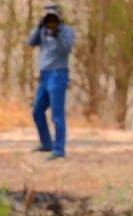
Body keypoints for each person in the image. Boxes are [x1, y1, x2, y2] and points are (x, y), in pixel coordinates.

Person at [27, 3, 75, 160]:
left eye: (53, 14)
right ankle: (46, 143)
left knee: (57, 114)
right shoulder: (42, 29)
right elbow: (30, 42)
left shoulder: (66, 31)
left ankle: (59, 149)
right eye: (47, 14)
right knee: (37, 111)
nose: (50, 18)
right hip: (44, 75)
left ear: (60, 15)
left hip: (58, 74)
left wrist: (57, 33)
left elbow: (66, 49)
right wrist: (39, 26)